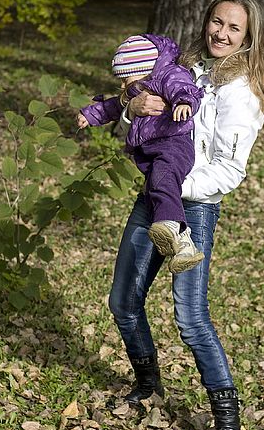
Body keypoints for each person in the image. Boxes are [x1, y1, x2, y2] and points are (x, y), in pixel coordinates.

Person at [107, 0, 264, 430]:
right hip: (153, 199)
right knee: (123, 302)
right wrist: (132, 107)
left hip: (193, 208)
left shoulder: (241, 91)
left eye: (234, 27)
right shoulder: (183, 69)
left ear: (248, 37)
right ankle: (148, 387)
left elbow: (229, 171)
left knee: (190, 318)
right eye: (217, 22)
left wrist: (168, 185)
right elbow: (145, 124)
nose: (221, 33)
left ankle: (228, 426)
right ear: (205, 21)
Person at [77, 33, 205, 274]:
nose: (124, 86)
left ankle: (168, 224)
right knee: (157, 183)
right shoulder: (138, 89)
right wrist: (89, 115)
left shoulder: (168, 74)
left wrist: (184, 103)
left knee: (162, 179)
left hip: (173, 143)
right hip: (150, 151)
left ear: (146, 68)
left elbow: (183, 88)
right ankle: (184, 246)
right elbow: (112, 106)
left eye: (127, 78)